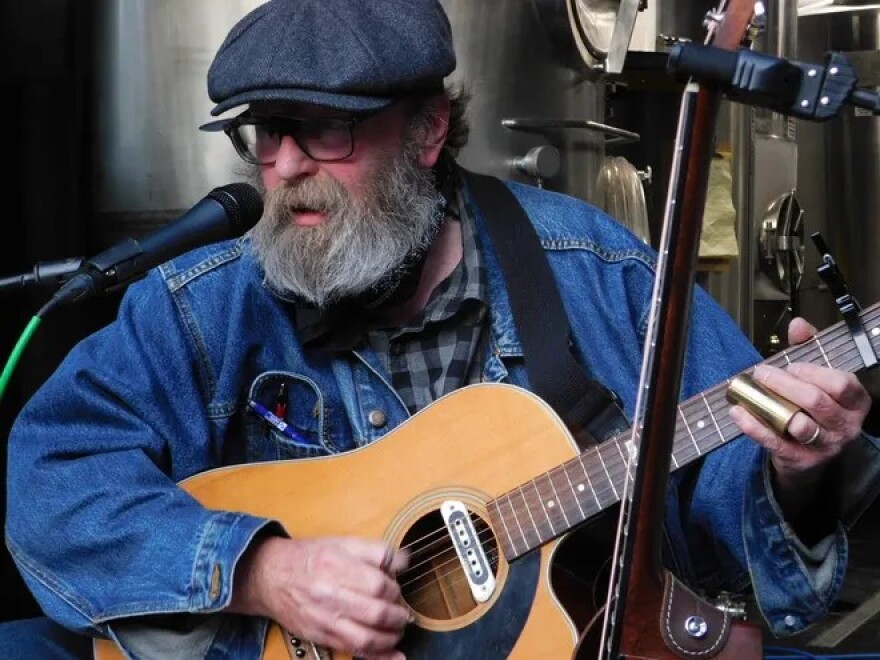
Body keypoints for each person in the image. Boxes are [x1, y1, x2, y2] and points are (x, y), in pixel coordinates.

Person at [3, 0, 879, 658]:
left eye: (327, 131)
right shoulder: (203, 305)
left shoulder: (594, 271)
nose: (286, 169)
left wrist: (798, 472)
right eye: (265, 137)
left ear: (427, 132)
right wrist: (259, 571)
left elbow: (732, 528)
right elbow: (54, 474)